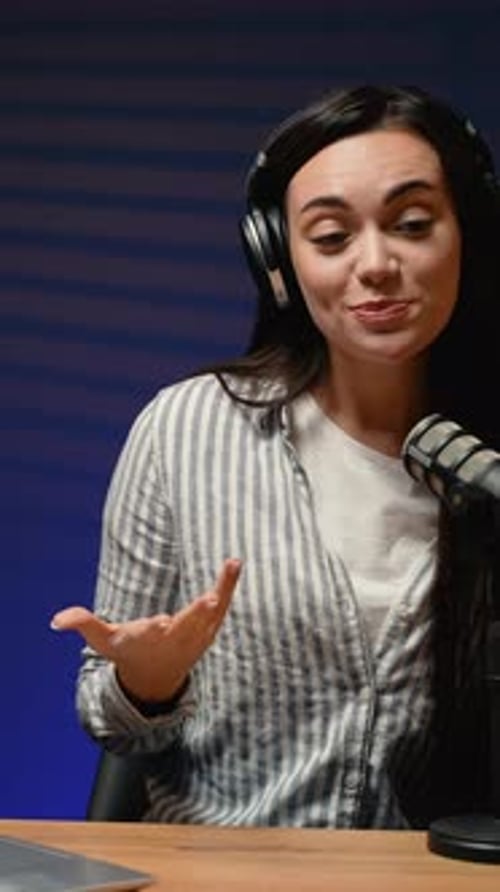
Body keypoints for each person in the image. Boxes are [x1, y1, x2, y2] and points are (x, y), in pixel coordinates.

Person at [51, 85, 500, 828]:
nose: (377, 264)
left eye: (412, 224)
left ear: (470, 234)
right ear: (278, 260)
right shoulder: (185, 430)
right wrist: (147, 684)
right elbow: (111, 721)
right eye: (331, 238)